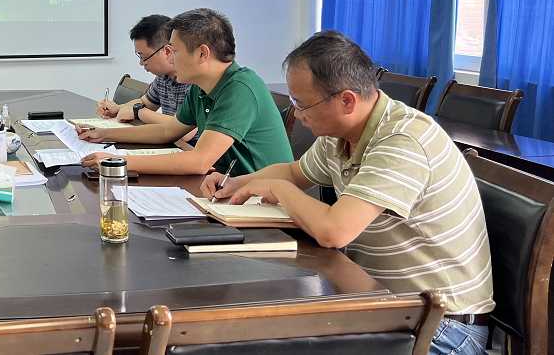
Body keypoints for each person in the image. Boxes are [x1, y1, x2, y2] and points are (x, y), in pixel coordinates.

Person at [201, 31, 494, 355]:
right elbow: (294, 173)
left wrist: (279, 189)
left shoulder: (402, 140)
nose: (296, 114)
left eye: (302, 104)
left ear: (347, 101)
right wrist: (237, 183)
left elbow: (333, 231)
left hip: (442, 326)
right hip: (382, 303)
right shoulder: (341, 133)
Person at [78, 8, 291, 176]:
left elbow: (199, 161)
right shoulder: (200, 87)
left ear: (202, 54)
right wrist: (102, 133)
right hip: (227, 185)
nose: (170, 59)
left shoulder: (240, 88)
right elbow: (167, 131)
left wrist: (117, 162)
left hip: (266, 201)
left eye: (175, 51)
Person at [95, 14, 191, 125]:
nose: (141, 63)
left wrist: (137, 112)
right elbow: (144, 102)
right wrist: (117, 109)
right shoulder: (163, 77)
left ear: (167, 51)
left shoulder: (192, 81)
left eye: (144, 57)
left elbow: (186, 126)